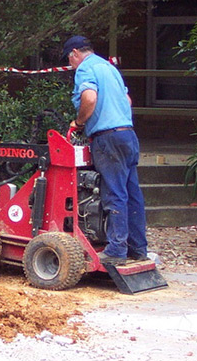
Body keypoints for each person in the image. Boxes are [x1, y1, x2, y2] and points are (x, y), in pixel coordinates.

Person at [63, 35, 148, 266]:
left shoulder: (85, 69)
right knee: (132, 194)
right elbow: (127, 101)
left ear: (75, 54)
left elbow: (89, 98)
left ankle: (116, 250)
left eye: (69, 60)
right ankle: (138, 249)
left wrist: (79, 123)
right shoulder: (109, 68)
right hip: (128, 135)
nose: (71, 65)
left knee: (114, 193)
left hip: (107, 138)